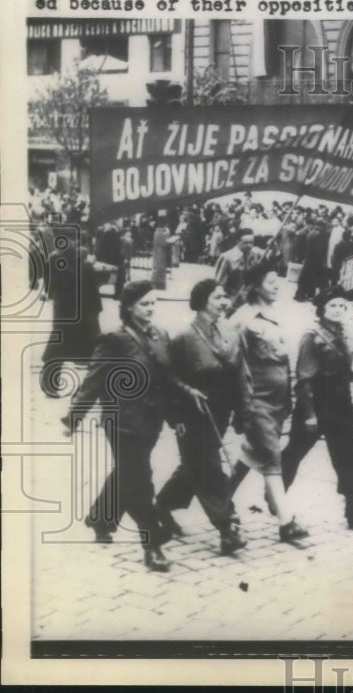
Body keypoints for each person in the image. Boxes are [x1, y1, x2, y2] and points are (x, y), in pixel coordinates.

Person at [62, 281, 205, 571]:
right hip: (122, 422)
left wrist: (176, 416)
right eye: (144, 304)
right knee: (140, 479)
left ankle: (101, 518)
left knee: (128, 473)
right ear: (128, 307)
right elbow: (93, 380)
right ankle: (152, 544)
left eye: (153, 303)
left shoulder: (160, 334)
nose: (150, 309)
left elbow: (167, 379)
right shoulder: (114, 339)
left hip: (150, 421)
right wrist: (73, 418)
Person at [155, 279, 251, 555]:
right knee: (209, 466)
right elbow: (168, 377)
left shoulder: (230, 330)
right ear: (202, 300)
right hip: (191, 411)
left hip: (221, 411)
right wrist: (176, 416)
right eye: (217, 297)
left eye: (225, 296)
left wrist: (243, 410)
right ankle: (227, 527)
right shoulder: (184, 335)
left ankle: (161, 505)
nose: (224, 301)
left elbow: (241, 373)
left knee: (194, 465)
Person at [283, 286, 353, 532]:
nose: (337, 310)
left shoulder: (345, 333)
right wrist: (310, 414)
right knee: (293, 455)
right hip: (315, 407)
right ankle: (276, 499)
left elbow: (346, 369)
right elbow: (303, 379)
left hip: (341, 407)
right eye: (332, 305)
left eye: (341, 306)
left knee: (348, 461)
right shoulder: (312, 336)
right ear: (322, 308)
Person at [228, 264, 310, 543]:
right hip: (256, 399)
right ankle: (285, 522)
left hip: (279, 400)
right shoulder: (243, 318)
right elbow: (235, 363)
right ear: (255, 286)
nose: (277, 286)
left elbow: (287, 359)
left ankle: (217, 501)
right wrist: (242, 405)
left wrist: (292, 396)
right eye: (271, 281)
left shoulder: (279, 314)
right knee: (272, 456)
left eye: (278, 281)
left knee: (253, 454)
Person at [40, 238, 106, 398]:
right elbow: (95, 295)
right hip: (85, 319)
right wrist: (96, 313)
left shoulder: (56, 262)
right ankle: (89, 390)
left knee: (56, 352)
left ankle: (50, 386)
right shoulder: (87, 268)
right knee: (93, 354)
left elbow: (49, 286)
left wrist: (49, 296)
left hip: (63, 317)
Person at [215, 227, 266, 301]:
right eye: (246, 243)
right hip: (232, 298)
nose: (249, 245)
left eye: (251, 242)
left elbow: (269, 255)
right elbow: (218, 282)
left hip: (250, 298)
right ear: (237, 241)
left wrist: (273, 246)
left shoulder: (255, 253)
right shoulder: (227, 257)